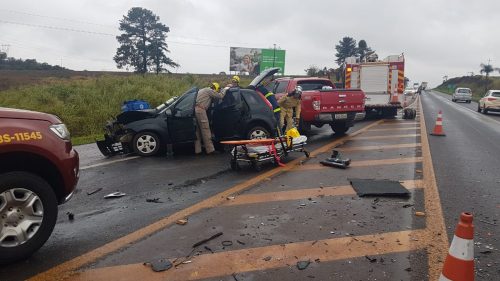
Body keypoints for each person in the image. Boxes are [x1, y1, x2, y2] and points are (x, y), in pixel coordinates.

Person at [194, 82, 225, 155]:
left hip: (195, 110)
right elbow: (220, 96)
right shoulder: (209, 91)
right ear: (215, 89)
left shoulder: (202, 90)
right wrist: (224, 90)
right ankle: (210, 150)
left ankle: (198, 150)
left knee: (197, 132)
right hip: (201, 111)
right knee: (205, 130)